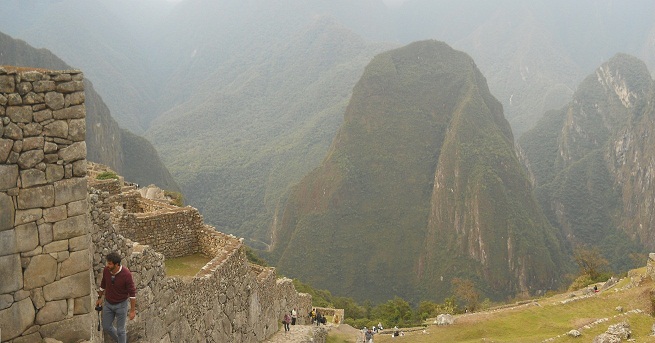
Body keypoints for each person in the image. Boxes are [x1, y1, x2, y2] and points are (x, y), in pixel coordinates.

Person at [95, 251, 136, 343]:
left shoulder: (126, 275)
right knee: (106, 327)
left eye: (109, 264)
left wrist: (132, 310)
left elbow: (132, 294)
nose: (107, 265)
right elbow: (103, 285)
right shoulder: (106, 270)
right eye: (107, 263)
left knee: (121, 330)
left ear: (117, 264)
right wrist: (99, 298)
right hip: (108, 304)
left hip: (121, 305)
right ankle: (121, 341)